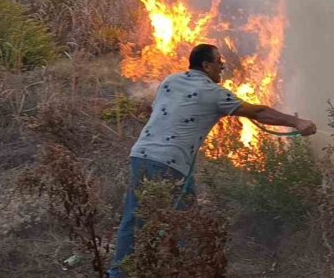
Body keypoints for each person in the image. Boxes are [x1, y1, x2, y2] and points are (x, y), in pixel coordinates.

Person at [108, 43, 317, 277]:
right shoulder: (212, 93)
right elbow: (258, 112)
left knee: (141, 215)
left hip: (142, 154)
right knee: (178, 221)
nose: (222, 66)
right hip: (169, 162)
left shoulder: (171, 81)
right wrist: (297, 122)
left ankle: (136, 270)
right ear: (206, 65)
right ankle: (166, 270)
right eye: (219, 62)